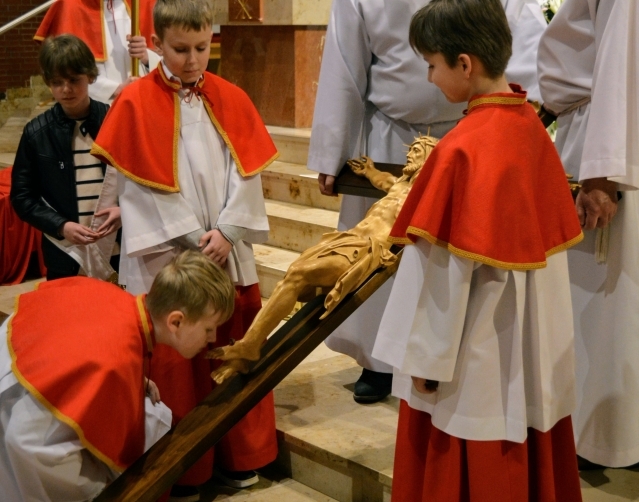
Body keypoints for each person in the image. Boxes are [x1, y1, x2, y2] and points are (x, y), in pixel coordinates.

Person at [370, 1, 584, 500]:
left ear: (465, 64)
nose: (429, 77)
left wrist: (425, 361)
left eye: (431, 64)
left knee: (469, 440)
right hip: (529, 344)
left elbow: (441, 275)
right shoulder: (533, 131)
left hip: (474, 348)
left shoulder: (461, 149)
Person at [307, 0, 548, 404]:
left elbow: (518, 29)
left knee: (451, 257)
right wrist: (332, 151)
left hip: (473, 127)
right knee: (383, 249)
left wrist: (518, 110)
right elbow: (343, 63)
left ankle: (455, 352)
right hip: (390, 131)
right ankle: (379, 360)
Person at [91, 0, 278, 498]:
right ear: (155, 44)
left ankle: (241, 457)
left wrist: (229, 231)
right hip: (168, 256)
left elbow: (247, 171)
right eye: (180, 49)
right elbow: (140, 187)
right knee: (178, 365)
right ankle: (186, 468)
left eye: (202, 47)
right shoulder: (134, 102)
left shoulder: (231, 96)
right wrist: (195, 240)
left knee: (233, 352)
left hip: (226, 251)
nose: (193, 59)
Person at [538, 0, 639, 469]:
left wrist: (602, 174)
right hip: (628, 123)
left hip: (613, 129)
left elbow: (622, 58)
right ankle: (623, 427)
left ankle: (599, 434)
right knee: (632, 283)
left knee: (605, 289)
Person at [0, 250, 236, 502]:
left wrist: (131, 377)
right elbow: (29, 444)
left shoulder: (111, 295)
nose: (212, 338)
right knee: (153, 428)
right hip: (18, 431)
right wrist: (102, 488)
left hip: (15, 372)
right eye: (209, 329)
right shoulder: (115, 359)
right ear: (176, 322)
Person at [208, 136, 438, 381]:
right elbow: (380, 179)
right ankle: (249, 347)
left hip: (369, 250)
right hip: (349, 240)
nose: (409, 155)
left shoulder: (429, 192)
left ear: (430, 156)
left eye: (416, 150)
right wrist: (369, 170)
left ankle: (249, 345)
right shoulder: (397, 184)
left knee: (299, 275)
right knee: (293, 274)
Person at [11, 34, 121, 282]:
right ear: (48, 82)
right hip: (66, 254)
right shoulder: (36, 133)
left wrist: (124, 210)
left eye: (74, 80)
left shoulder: (115, 121)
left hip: (118, 250)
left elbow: (140, 180)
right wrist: (61, 226)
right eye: (57, 82)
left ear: (90, 76)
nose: (66, 89)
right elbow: (22, 196)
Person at [35, 0, 161, 103]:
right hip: (96, 105)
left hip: (140, 99)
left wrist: (147, 57)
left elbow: (167, 62)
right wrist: (114, 89)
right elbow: (62, 67)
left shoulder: (144, 3)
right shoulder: (69, 5)